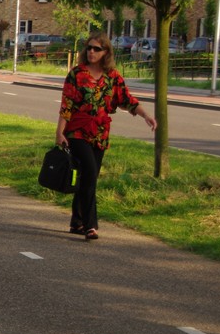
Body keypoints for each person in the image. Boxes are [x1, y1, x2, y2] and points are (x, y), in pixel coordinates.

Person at [55, 32, 156, 241]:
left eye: (96, 49)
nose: (91, 51)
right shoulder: (77, 74)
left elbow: (127, 99)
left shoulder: (112, 77)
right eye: (89, 48)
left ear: (106, 52)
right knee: (90, 173)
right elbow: (67, 104)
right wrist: (59, 132)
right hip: (77, 131)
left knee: (87, 177)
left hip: (100, 134)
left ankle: (77, 221)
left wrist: (146, 115)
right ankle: (90, 225)